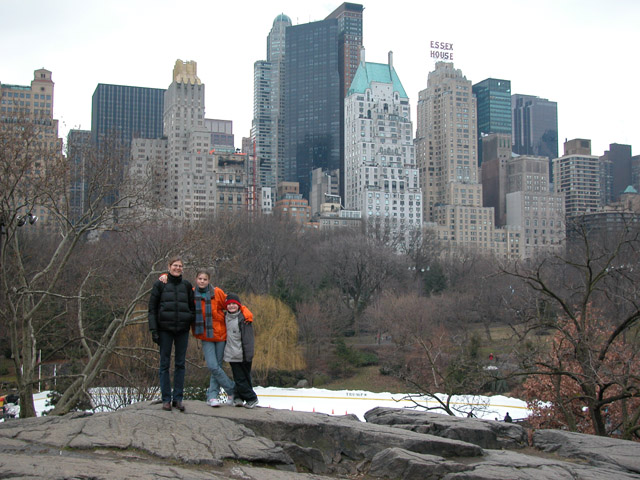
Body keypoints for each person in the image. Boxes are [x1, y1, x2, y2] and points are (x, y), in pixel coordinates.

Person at [192, 270, 253, 407]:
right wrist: (165, 277)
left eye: (205, 279)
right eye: (200, 279)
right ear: (196, 279)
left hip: (220, 334)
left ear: (209, 280)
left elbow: (232, 304)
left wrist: (246, 313)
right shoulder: (192, 293)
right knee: (213, 366)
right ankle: (232, 390)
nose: (202, 281)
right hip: (205, 335)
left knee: (218, 366)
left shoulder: (217, 292)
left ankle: (212, 396)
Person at [148, 256, 195, 412]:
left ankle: (178, 399)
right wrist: (154, 330)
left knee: (180, 364)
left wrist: (189, 320)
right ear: (169, 267)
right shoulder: (159, 285)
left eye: (180, 266)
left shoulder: (187, 286)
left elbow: (192, 307)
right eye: (175, 265)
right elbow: (152, 309)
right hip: (165, 330)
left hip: (182, 330)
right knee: (164, 365)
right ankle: (166, 399)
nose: (178, 268)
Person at [223, 293, 259, 408]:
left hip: (243, 354)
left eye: (234, 304)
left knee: (243, 378)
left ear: (238, 305)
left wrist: (248, 355)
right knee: (239, 377)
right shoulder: (225, 317)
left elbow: (248, 339)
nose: (231, 306)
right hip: (231, 353)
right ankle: (238, 397)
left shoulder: (244, 319)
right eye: (229, 304)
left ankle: (251, 398)